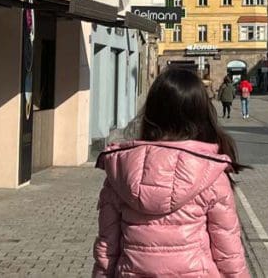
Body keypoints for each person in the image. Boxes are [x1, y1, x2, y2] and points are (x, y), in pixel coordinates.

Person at [92, 67, 249, 278]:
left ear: (151, 112)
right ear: (201, 114)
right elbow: (228, 254)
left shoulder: (120, 169)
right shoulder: (209, 173)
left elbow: (107, 248)